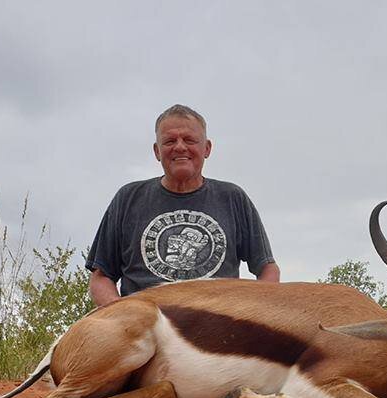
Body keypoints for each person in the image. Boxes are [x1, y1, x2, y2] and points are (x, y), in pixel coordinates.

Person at [86, 104, 280, 306]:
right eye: (170, 141)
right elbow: (101, 277)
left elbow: (267, 269)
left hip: (219, 327)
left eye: (189, 140)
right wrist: (120, 314)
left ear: (207, 148)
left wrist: (252, 312)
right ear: (157, 151)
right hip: (144, 327)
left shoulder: (232, 198)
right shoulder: (128, 198)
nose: (180, 147)